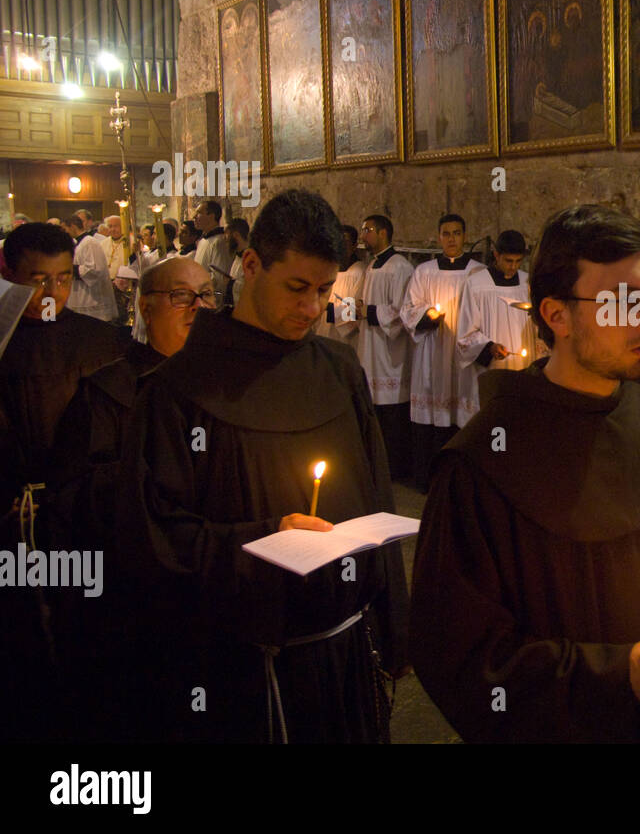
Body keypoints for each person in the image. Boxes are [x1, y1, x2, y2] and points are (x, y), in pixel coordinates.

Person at [410, 204, 640, 743]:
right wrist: (612, 677)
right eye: (624, 302)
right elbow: (459, 653)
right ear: (556, 316)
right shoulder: (481, 462)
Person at [117, 190, 409, 743]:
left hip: (347, 646)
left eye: (324, 290)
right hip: (242, 667)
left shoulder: (341, 369)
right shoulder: (177, 390)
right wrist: (264, 541)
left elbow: (377, 497)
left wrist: (396, 627)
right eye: (296, 287)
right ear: (250, 265)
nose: (310, 308)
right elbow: (152, 538)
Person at [49, 256, 216, 741]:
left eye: (207, 295)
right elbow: (73, 499)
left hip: (209, 589)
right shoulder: (108, 392)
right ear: (145, 306)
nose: (199, 308)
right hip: (137, 598)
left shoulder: (222, 388)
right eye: (183, 296)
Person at [0, 223, 126, 742]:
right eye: (37, 280)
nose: (51, 294)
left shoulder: (98, 340)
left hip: (77, 517)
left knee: (79, 625)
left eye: (62, 280)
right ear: (6, 274)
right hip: (9, 517)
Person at [401, 213, 484, 489]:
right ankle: (428, 480)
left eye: (456, 233)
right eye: (446, 233)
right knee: (431, 411)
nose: (451, 239)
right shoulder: (424, 271)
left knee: (459, 412)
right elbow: (409, 308)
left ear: (465, 236)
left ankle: (458, 482)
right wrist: (427, 317)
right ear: (438, 237)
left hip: (462, 352)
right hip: (432, 349)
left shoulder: (477, 272)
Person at [454, 230, 537, 421]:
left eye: (518, 261)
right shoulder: (476, 284)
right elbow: (465, 333)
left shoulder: (527, 283)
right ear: (496, 255)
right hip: (492, 367)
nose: (513, 267)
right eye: (508, 261)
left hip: (522, 366)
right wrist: (489, 346)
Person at [356, 213, 414, 481]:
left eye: (367, 229)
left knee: (391, 414)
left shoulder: (399, 266)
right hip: (370, 347)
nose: (363, 235)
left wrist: (368, 310)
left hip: (390, 353)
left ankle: (394, 469)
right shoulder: (373, 265)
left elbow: (403, 310)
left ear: (382, 233)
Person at [63, 212, 117, 321]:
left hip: (93, 298)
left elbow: (95, 270)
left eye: (65, 229)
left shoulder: (90, 243)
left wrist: (73, 269)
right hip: (80, 295)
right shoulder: (76, 243)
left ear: (73, 226)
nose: (65, 233)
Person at [318, 224, 366, 342]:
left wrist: (328, 308)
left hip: (345, 339)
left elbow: (355, 312)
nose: (340, 246)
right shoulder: (327, 269)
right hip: (323, 333)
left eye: (345, 241)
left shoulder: (359, 272)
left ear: (354, 245)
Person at [226, 218, 251, 305]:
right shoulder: (237, 257)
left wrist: (232, 283)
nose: (226, 240)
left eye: (228, 235)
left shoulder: (252, 259)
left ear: (236, 235)